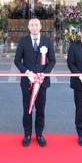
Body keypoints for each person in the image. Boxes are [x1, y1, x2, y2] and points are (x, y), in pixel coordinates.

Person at [13, 18, 56, 147]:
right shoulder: (23, 41)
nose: (35, 27)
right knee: (27, 109)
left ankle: (39, 135)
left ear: (41, 26)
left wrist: (44, 73)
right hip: (27, 81)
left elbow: (52, 61)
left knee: (40, 109)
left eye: (37, 25)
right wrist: (27, 72)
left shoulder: (47, 41)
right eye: (32, 25)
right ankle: (27, 134)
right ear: (29, 27)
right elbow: (17, 60)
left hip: (42, 82)